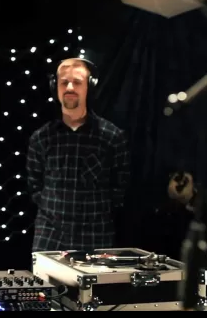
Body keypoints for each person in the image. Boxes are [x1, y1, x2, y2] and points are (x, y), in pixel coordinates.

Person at [26, 58, 130, 252]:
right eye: (64, 82)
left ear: (90, 87)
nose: (70, 88)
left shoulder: (112, 136)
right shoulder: (41, 138)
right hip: (50, 235)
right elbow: (34, 186)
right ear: (55, 87)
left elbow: (120, 188)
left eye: (77, 82)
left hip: (96, 235)